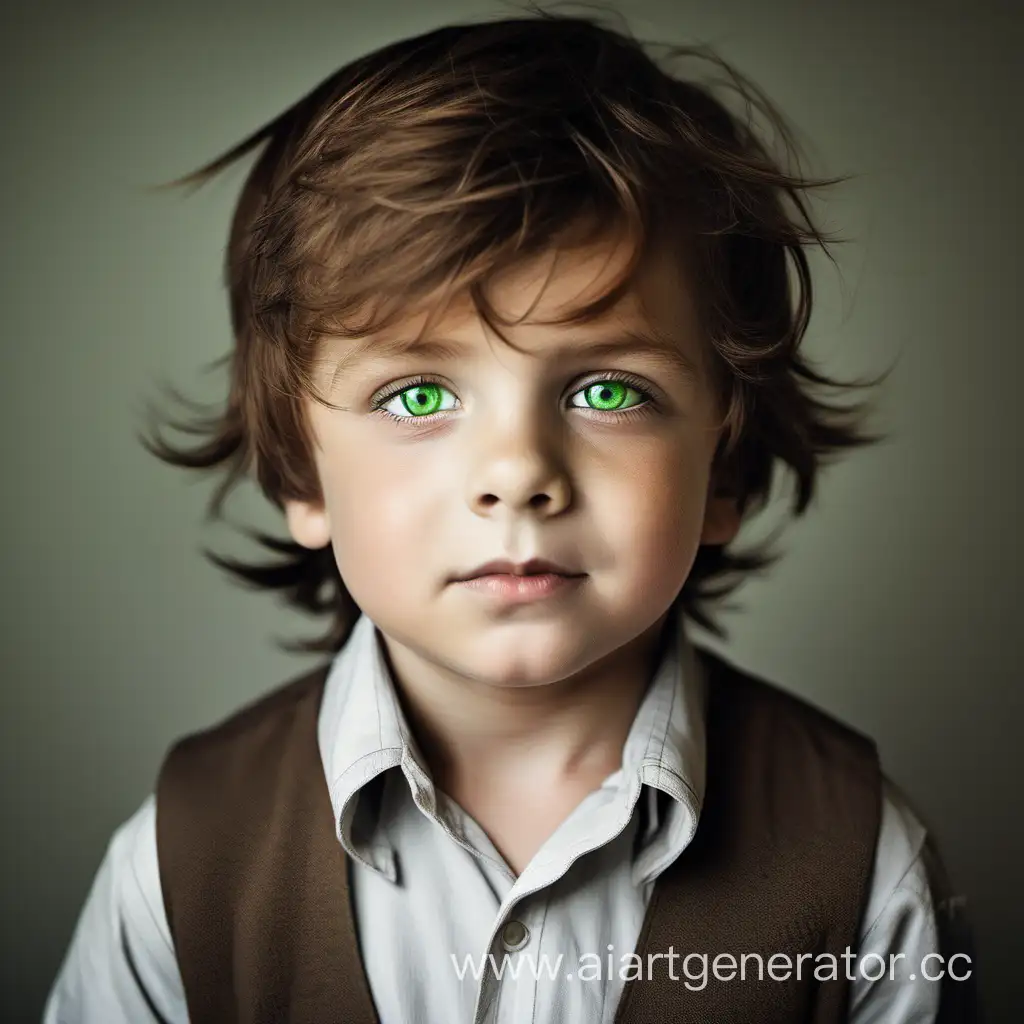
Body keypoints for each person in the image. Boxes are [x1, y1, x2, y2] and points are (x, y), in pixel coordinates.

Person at [43, 8, 979, 1023]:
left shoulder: (860, 861)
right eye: (416, 396)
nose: (518, 474)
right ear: (301, 479)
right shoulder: (180, 863)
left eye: (608, 392)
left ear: (723, 468)